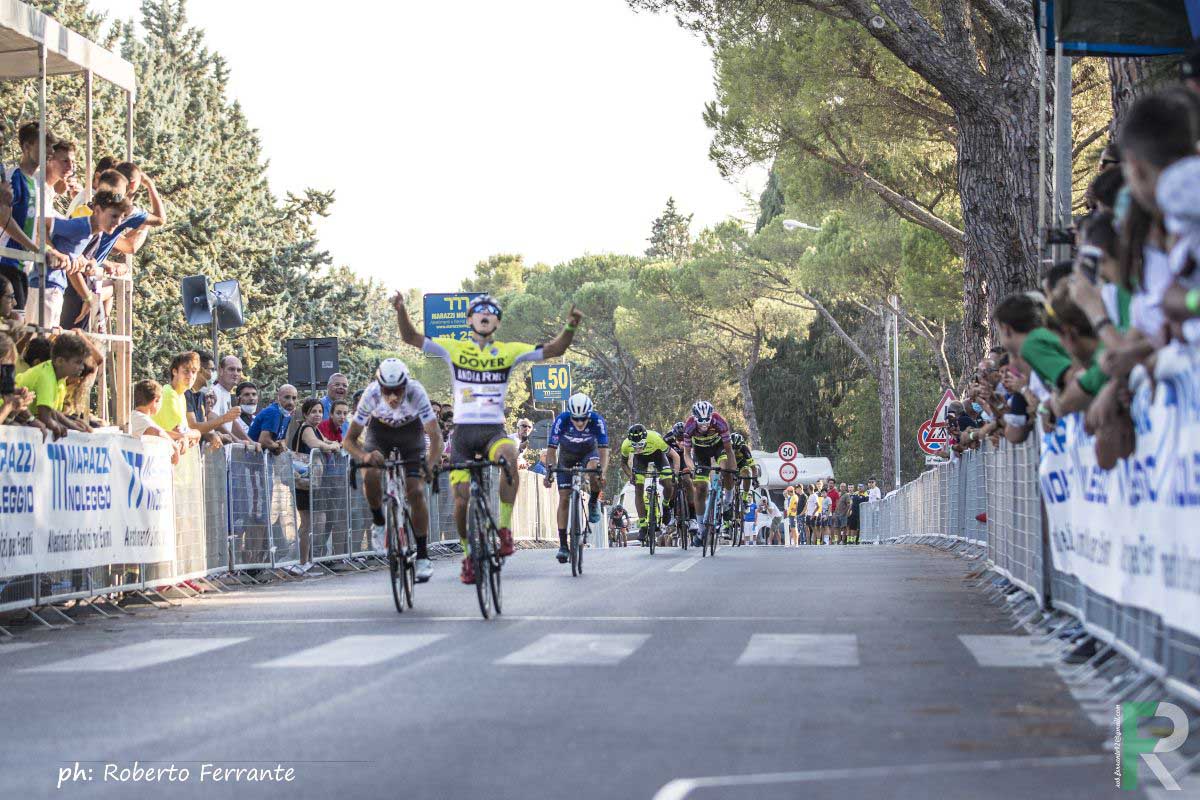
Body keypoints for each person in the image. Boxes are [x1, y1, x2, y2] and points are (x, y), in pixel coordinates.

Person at [391, 291, 581, 584]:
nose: (485, 314)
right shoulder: (454, 348)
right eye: (479, 311)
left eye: (491, 311)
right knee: (461, 501)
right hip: (464, 434)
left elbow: (555, 349)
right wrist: (402, 309)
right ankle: (468, 556)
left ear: (497, 322)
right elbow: (410, 337)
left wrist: (570, 326)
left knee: (510, 456)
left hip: (493, 431)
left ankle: (504, 530)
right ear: (469, 320)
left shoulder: (508, 351)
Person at [340, 358, 442, 583]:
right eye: (388, 391)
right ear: (380, 387)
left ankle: (422, 555)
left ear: (406, 385)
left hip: (411, 434)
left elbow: (436, 438)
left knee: (416, 491)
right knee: (370, 472)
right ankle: (379, 521)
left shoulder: (416, 392)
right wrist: (365, 456)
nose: (393, 397)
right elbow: (348, 441)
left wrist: (430, 464)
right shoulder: (371, 394)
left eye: (398, 391)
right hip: (380, 434)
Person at [0, 122, 70, 318]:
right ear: (26, 147)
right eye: (45, 145)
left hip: (23, 265)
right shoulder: (14, 177)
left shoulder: (36, 183)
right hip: (7, 260)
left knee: (19, 326)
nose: (50, 151)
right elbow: (4, 219)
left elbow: (35, 227)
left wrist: (44, 249)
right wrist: (36, 248)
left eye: (51, 146)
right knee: (16, 323)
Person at [541, 392, 609, 564]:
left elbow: (603, 451)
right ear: (570, 415)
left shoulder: (597, 421)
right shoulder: (561, 420)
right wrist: (549, 472)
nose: (579, 423)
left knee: (594, 469)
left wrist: (602, 472)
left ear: (589, 415)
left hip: (589, 453)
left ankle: (593, 501)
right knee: (564, 498)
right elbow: (551, 450)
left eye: (583, 419)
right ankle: (563, 545)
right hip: (567, 456)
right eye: (576, 419)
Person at [289, 397, 344, 573]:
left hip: (313, 483)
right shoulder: (306, 429)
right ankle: (301, 562)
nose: (318, 415)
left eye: (320, 411)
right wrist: (332, 447)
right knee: (307, 523)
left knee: (316, 522)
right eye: (313, 411)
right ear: (305, 414)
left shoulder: (315, 429)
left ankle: (307, 560)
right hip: (303, 484)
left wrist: (334, 444)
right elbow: (315, 443)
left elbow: (326, 441)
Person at [680, 400, 738, 540]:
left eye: (707, 420)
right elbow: (687, 454)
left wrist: (732, 470)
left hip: (718, 448)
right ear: (695, 418)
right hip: (700, 452)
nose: (704, 424)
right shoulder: (689, 426)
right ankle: (701, 530)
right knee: (700, 488)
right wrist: (692, 468)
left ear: (711, 416)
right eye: (701, 421)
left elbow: (729, 450)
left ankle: (728, 502)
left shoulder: (720, 422)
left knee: (726, 470)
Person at [15, 332, 91, 438]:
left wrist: (74, 425)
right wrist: (72, 429)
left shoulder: (60, 379)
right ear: (60, 361)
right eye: (78, 362)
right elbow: (45, 418)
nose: (82, 367)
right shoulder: (46, 376)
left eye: (82, 363)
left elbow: (52, 411)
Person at [619, 424, 680, 547]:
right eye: (635, 446)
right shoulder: (626, 444)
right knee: (638, 488)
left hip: (658, 455)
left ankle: (666, 505)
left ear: (645, 439)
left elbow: (675, 456)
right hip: (640, 460)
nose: (638, 448)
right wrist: (630, 475)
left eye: (641, 445)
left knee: (669, 483)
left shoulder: (656, 439)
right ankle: (643, 525)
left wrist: (675, 474)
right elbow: (623, 463)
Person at [153, 351, 204, 449]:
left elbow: (185, 431)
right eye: (186, 371)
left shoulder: (181, 396)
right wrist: (196, 433)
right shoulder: (168, 394)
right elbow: (179, 434)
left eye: (194, 372)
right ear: (175, 372)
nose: (190, 376)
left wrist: (194, 433)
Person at [130, 379, 183, 464]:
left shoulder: (139, 417)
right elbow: (158, 432)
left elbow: (163, 432)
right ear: (156, 400)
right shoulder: (140, 417)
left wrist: (180, 436)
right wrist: (175, 447)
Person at [248, 384, 298, 456]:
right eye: (286, 397)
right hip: (251, 457)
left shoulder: (287, 415)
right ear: (278, 398)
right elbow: (264, 441)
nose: (291, 402)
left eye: (294, 398)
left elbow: (282, 440)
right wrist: (279, 446)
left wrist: (280, 445)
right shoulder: (273, 412)